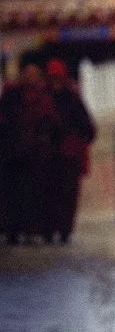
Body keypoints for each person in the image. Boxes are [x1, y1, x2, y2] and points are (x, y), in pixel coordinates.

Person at [0, 62, 59, 244]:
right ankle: (13, 230)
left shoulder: (45, 97)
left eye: (34, 75)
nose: (30, 78)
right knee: (14, 195)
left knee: (36, 195)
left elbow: (52, 122)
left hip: (38, 155)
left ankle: (34, 230)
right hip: (14, 154)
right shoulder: (12, 96)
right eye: (28, 74)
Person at [45, 58, 96, 244]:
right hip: (48, 155)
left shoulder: (73, 99)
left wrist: (76, 140)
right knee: (49, 195)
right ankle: (49, 230)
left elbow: (87, 128)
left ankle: (64, 230)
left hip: (68, 155)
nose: (56, 81)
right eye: (53, 77)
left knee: (67, 196)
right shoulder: (43, 97)